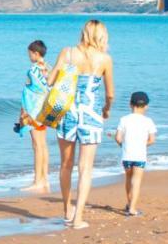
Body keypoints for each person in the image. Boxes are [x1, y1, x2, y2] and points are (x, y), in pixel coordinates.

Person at [47, 20, 115, 229]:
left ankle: (67, 210)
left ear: (84, 33)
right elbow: (110, 94)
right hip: (91, 115)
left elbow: (50, 81)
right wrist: (106, 110)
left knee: (65, 164)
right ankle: (78, 218)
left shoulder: (67, 53)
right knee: (86, 168)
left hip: (67, 112)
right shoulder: (104, 59)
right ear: (102, 36)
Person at [15, 40, 50, 193]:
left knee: (37, 146)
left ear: (36, 53)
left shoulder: (32, 70)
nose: (28, 56)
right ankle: (45, 179)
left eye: (29, 53)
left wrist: (22, 113)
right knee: (43, 145)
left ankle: (37, 181)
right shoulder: (48, 68)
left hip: (33, 112)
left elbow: (28, 93)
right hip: (45, 111)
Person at [115, 91, 157, 216]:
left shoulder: (124, 119)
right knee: (136, 181)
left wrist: (124, 145)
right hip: (140, 155)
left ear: (130, 104)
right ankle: (133, 208)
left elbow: (118, 138)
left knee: (128, 179)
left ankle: (129, 204)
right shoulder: (148, 121)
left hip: (127, 155)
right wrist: (142, 145)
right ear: (146, 106)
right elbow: (151, 140)